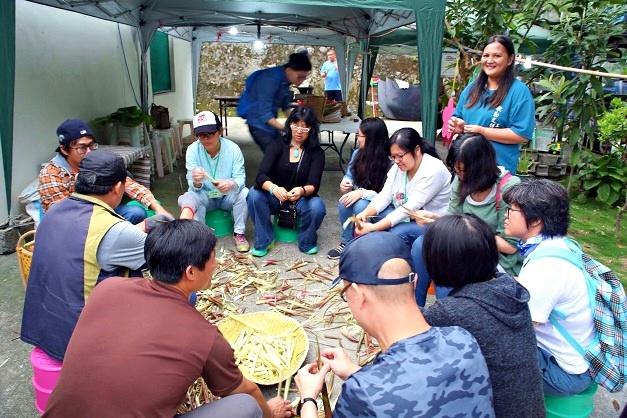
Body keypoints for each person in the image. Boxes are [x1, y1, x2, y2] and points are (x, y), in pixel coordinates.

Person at [42, 220, 292, 418]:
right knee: (246, 406)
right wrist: (272, 412)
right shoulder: (203, 335)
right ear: (191, 271)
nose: (216, 264)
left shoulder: (108, 288)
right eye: (213, 258)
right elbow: (246, 390)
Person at [294, 232, 495, 417]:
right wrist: (355, 372)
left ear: (358, 293)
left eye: (345, 293)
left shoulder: (362, 395)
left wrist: (308, 398)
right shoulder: (464, 340)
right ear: (414, 282)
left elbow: (383, 395)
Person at [21, 151, 184, 361]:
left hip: (45, 328)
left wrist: (143, 226)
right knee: (180, 289)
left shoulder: (55, 211)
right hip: (82, 341)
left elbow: (94, 241)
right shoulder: (113, 230)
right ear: (117, 188)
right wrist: (186, 214)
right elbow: (175, 254)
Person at [421, 214, 545, 417]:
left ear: (440, 262)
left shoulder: (451, 312)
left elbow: (406, 333)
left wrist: (400, 294)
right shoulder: (510, 289)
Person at [503, 179, 595, 396]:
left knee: (487, 353)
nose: (506, 216)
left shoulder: (546, 268)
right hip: (577, 357)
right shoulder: (558, 245)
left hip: (564, 372)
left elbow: (520, 328)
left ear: (535, 220)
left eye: (512, 210)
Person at [411, 133, 522, 306]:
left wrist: (472, 233)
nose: (460, 176)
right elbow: (453, 219)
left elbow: (510, 246)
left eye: (464, 171)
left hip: (493, 258)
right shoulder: (461, 181)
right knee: (422, 243)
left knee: (448, 262)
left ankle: (451, 315)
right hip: (463, 246)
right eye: (457, 171)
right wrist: (434, 217)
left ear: (482, 166)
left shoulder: (507, 187)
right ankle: (416, 308)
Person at [38, 119, 171, 224]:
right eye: (82, 148)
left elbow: (129, 184)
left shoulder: (96, 161)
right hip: (73, 224)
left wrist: (158, 208)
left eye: (91, 145)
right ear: (64, 149)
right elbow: (64, 216)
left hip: (101, 213)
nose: (89, 152)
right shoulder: (51, 174)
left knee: (136, 212)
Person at [447, 35, 535, 174]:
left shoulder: (519, 92)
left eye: (497, 56)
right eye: (486, 55)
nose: (489, 60)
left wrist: (482, 132)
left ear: (510, 59)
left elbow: (522, 134)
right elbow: (458, 116)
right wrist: (457, 124)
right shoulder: (471, 89)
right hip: (466, 169)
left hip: (497, 171)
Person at [247, 106, 326, 256]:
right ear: (290, 124)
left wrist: (302, 191)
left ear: (312, 129)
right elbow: (261, 175)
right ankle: (264, 240)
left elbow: (314, 185)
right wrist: (274, 189)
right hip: (276, 197)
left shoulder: (317, 153)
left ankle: (306, 241)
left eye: (305, 127)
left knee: (317, 207)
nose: (299, 131)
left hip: (301, 199)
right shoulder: (276, 145)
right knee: (253, 194)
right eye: (296, 125)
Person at [353, 127, 451, 246]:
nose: (396, 161)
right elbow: (385, 196)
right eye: (393, 157)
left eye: (400, 155)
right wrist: (366, 213)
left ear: (417, 150)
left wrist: (373, 227)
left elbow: (408, 208)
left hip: (429, 224)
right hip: (404, 216)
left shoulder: (434, 170)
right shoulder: (399, 166)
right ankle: (356, 245)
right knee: (362, 209)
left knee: (396, 233)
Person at [177, 110, 250, 252]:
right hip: (205, 196)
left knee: (245, 193)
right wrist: (196, 181)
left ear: (220, 131)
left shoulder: (233, 149)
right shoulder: (193, 150)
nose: (205, 139)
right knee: (192, 196)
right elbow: (192, 184)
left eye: (209, 134)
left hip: (227, 196)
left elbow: (240, 178)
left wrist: (231, 184)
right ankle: (199, 237)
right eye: (200, 135)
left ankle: (239, 233)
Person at [327, 117, 391, 259]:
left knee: (360, 206)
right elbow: (350, 174)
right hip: (363, 196)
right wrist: (346, 182)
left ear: (372, 139)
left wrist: (362, 193)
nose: (358, 138)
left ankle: (362, 243)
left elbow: (387, 195)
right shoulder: (358, 154)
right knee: (344, 201)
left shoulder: (389, 160)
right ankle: (346, 241)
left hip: (383, 204)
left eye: (360, 136)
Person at [237, 53, 312, 152]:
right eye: (299, 77)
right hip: (258, 125)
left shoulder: (286, 80)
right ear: (289, 70)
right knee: (276, 157)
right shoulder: (269, 79)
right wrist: (288, 129)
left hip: (270, 125)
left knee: (284, 153)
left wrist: (297, 122)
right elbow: (265, 114)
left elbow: (285, 106)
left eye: (304, 77)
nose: (302, 81)